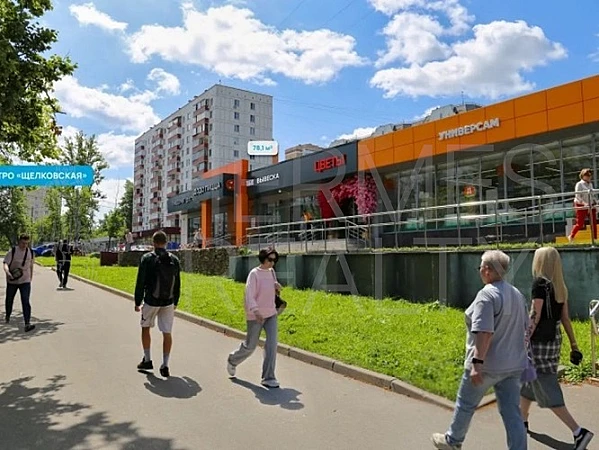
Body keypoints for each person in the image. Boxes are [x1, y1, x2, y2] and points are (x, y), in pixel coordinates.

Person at [432, 250, 528, 450]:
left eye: (480, 267)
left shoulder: (487, 295)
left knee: (465, 404)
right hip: (513, 365)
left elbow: (484, 332)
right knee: (512, 412)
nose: (480, 271)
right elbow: (524, 329)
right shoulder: (517, 294)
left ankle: (453, 441)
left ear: (487, 270)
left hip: (487, 365)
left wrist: (477, 364)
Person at [520, 247, 594, 449]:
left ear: (539, 262)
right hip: (554, 339)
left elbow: (535, 316)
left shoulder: (539, 284)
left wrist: (523, 340)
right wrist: (574, 345)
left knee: (546, 385)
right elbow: (565, 318)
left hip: (539, 342)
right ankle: (521, 421)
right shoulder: (559, 286)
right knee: (528, 381)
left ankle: (578, 432)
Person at [227, 248, 282, 388]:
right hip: (256, 315)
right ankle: (233, 360)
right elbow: (249, 294)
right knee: (250, 346)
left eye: (275, 260)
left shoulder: (271, 272)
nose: (272, 263)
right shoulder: (254, 274)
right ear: (263, 258)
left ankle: (268, 378)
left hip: (271, 313)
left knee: (272, 345)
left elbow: (271, 290)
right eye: (270, 260)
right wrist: (256, 311)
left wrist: (276, 286)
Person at [134, 231, 181, 378]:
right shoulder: (174, 259)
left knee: (145, 327)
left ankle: (147, 360)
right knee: (167, 332)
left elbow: (140, 281)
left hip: (151, 300)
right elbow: (177, 283)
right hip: (168, 301)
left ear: (153, 243)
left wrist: (137, 301)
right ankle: (165, 364)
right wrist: (175, 301)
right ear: (166, 243)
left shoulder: (147, 258)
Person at [3, 234, 35, 332]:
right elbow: (5, 263)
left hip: (25, 281)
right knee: (9, 299)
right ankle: (8, 315)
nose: (24, 245)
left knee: (25, 301)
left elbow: (31, 265)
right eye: (23, 243)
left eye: (26, 243)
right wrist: (7, 272)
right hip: (12, 280)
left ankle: (27, 323)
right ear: (19, 242)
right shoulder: (13, 251)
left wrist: (30, 277)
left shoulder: (31, 252)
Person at [568, 168, 597, 242]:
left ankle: (595, 239)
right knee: (580, 223)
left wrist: (595, 202)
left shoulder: (590, 184)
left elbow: (592, 195)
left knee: (593, 222)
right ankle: (571, 236)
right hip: (581, 205)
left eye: (590, 175)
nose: (589, 177)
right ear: (583, 176)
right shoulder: (579, 184)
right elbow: (577, 196)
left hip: (590, 205)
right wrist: (584, 203)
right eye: (587, 175)